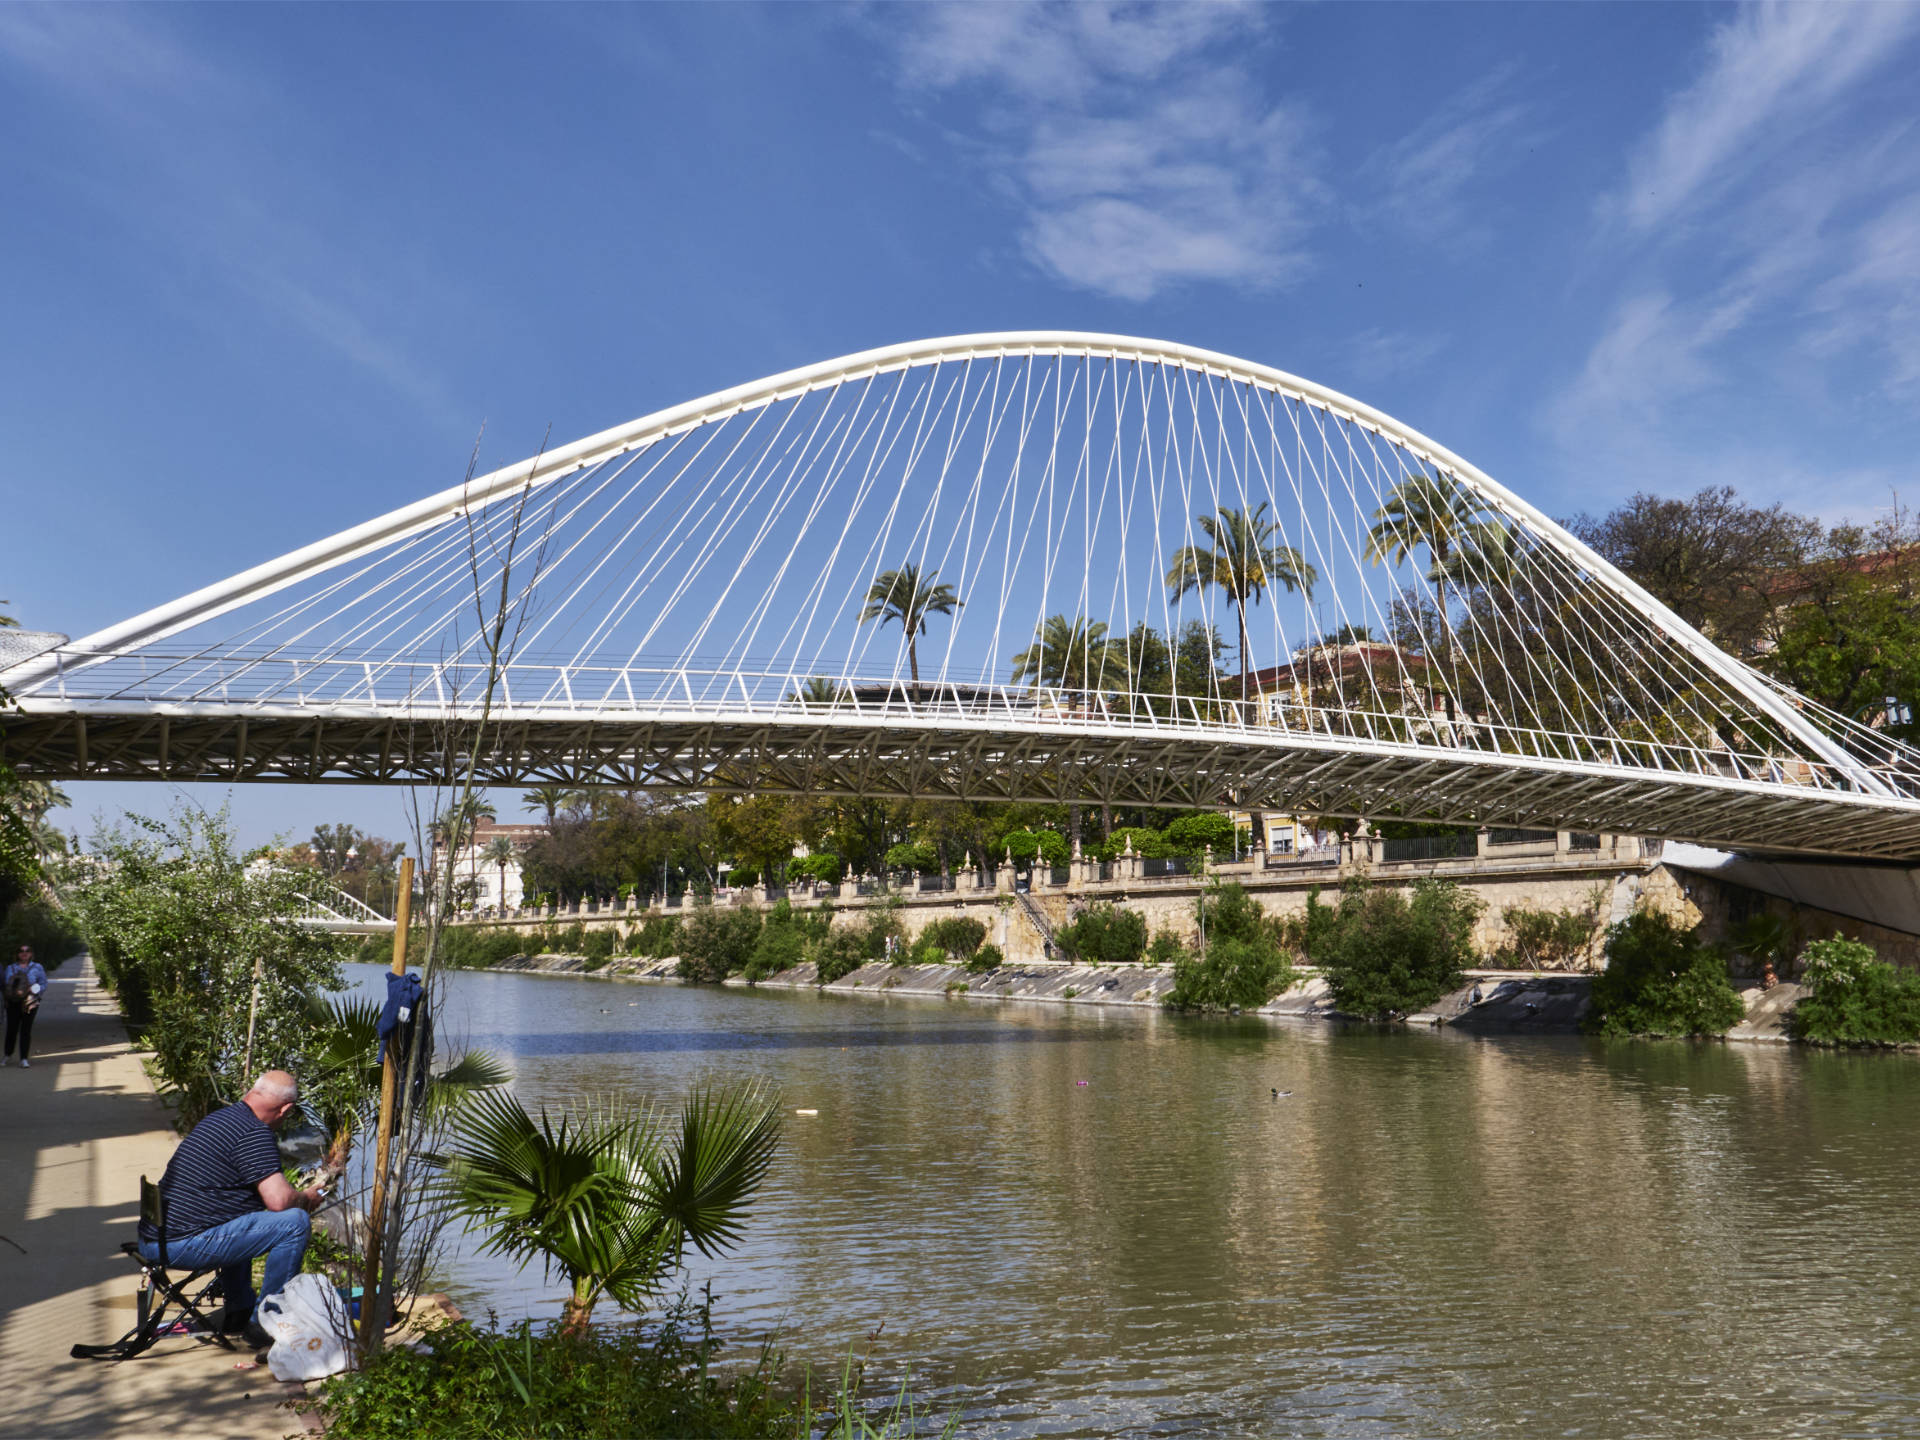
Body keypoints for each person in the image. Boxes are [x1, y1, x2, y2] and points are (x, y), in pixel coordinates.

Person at [138, 1070, 325, 1344]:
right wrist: (307, 1197)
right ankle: (266, 1321)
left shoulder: (222, 1117)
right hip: (181, 1244)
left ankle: (240, 1309)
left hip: (156, 1238)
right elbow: (279, 1202)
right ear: (286, 1109)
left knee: (244, 1218)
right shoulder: (254, 1132)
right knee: (294, 1223)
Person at [3, 944, 47, 1068]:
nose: (24, 953)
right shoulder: (10, 968)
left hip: (30, 1002)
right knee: (11, 1029)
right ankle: (7, 1054)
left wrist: (35, 990)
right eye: (21, 951)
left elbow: (43, 983)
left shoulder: (37, 967)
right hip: (13, 1002)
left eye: (27, 951)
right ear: (17, 954)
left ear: (31, 953)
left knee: (25, 1030)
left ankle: (24, 1058)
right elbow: (5, 984)